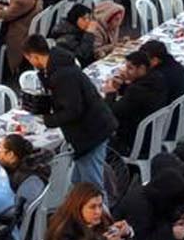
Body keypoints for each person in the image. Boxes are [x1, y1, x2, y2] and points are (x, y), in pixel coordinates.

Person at [21, 34, 115, 192]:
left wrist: (48, 120)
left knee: (91, 188)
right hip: (93, 130)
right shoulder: (58, 67)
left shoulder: (62, 75)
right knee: (77, 182)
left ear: (33, 56)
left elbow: (73, 110)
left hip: (91, 134)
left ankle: (102, 216)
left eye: (29, 59)